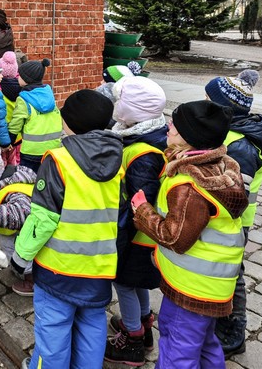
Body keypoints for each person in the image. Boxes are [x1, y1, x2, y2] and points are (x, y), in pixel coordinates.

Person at [13, 89, 125, 369]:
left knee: (53, 329)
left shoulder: (59, 160)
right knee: (92, 324)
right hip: (99, 266)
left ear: (72, 122)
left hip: (59, 269)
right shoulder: (118, 160)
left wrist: (20, 256)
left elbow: (42, 218)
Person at [133, 100, 246, 369]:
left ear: (190, 139)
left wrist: (142, 211)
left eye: (175, 125)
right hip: (211, 285)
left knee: (177, 347)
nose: (168, 127)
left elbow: (176, 238)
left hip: (193, 288)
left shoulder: (190, 186)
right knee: (205, 342)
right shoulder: (221, 166)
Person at [204, 70, 262, 357]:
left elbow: (233, 196)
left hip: (233, 222)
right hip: (221, 218)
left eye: (208, 99)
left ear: (224, 107)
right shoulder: (228, 131)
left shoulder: (241, 146)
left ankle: (233, 330)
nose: (203, 102)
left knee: (232, 273)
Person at [104, 76, 168, 366]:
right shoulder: (142, 135)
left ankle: (132, 340)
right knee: (136, 282)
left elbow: (140, 200)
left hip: (135, 234)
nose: (117, 106)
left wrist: (120, 236)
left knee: (125, 283)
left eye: (121, 102)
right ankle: (144, 326)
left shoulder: (143, 154)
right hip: (138, 234)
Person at [0, 142, 38, 296]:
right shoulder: (12, 179)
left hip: (33, 233)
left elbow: (21, 213)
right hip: (32, 228)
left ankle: (32, 280)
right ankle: (22, 267)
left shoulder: (13, 192)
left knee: (9, 242)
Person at [7, 59, 63, 174]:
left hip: (31, 151)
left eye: (20, 75)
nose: (18, 77)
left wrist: (9, 141)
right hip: (52, 148)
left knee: (28, 181)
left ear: (26, 79)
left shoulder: (23, 99)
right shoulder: (49, 95)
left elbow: (16, 124)